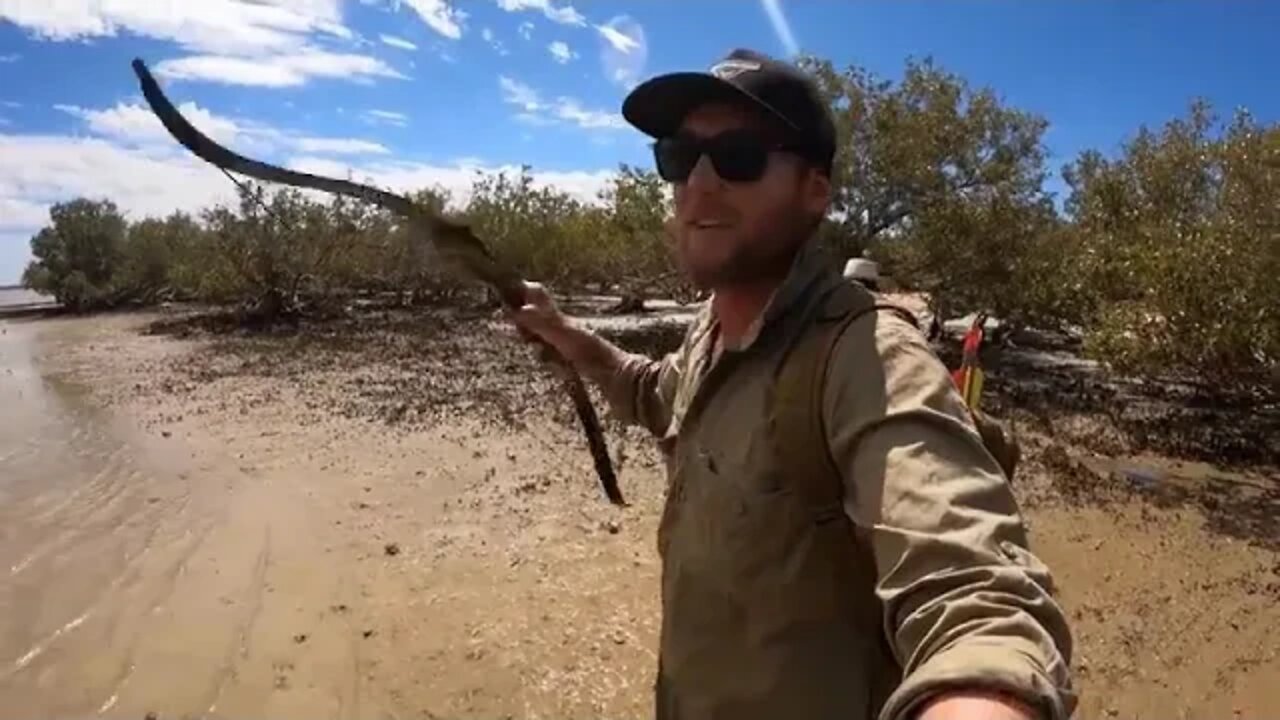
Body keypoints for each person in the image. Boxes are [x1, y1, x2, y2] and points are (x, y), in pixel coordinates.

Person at [509, 48, 1074, 720]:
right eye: (680, 156)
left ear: (816, 191)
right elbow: (653, 391)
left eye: (740, 155)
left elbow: (975, 589)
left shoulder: (868, 356)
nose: (701, 181)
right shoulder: (712, 326)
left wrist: (983, 695)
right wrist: (565, 334)